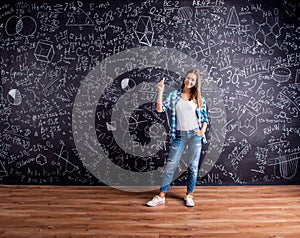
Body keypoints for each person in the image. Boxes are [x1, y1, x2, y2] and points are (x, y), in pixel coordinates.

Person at [146, 69, 208, 207]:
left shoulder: (199, 99)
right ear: (184, 79)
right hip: (179, 135)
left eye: (193, 80)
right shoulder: (174, 95)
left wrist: (202, 131)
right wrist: (160, 91)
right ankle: (161, 196)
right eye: (188, 78)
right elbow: (160, 109)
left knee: (193, 167)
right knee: (171, 165)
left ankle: (189, 195)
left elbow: (205, 118)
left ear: (196, 83)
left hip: (195, 136)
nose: (189, 81)